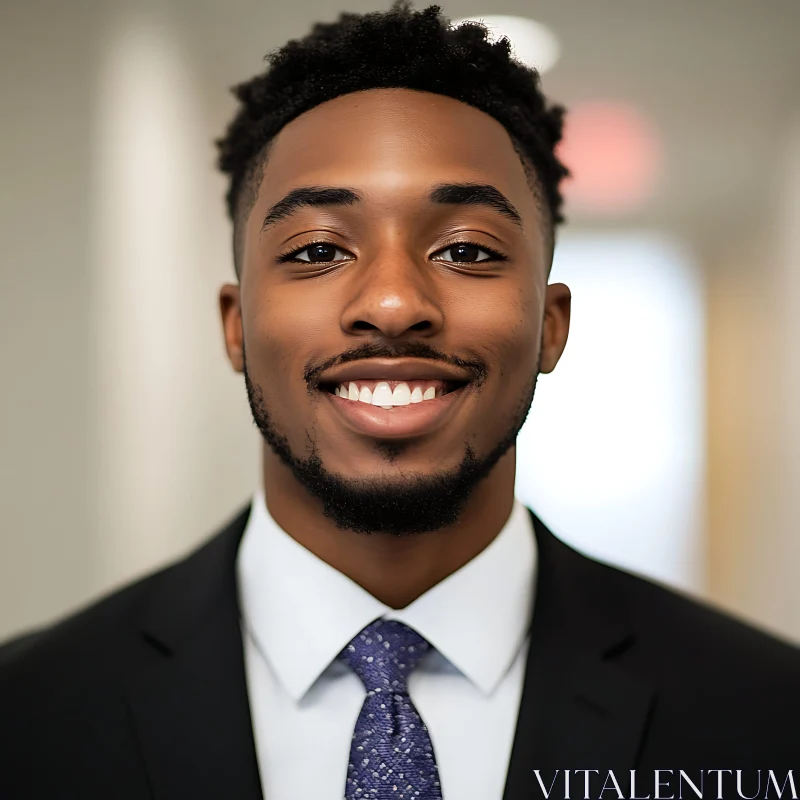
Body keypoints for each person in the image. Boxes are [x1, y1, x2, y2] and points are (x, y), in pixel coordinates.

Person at [1, 4, 797, 799]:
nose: (391, 303)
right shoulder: (28, 714)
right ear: (236, 325)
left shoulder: (767, 714)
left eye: (465, 250)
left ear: (551, 327)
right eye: (318, 250)